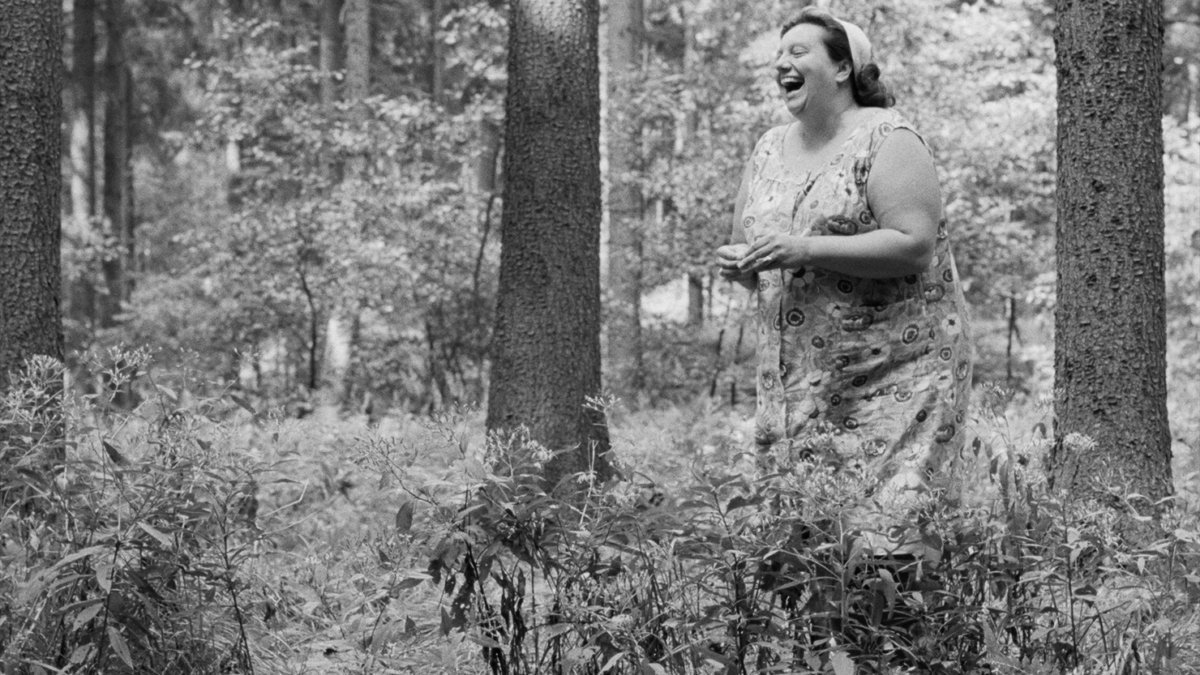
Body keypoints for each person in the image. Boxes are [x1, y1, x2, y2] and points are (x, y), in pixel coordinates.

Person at [715, 8, 972, 541]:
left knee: (886, 541)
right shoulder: (768, 148)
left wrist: (805, 248)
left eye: (797, 51)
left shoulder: (888, 137)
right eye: (778, 54)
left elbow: (913, 245)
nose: (781, 63)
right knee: (802, 538)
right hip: (798, 385)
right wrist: (741, 263)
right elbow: (752, 246)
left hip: (895, 377)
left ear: (842, 68)